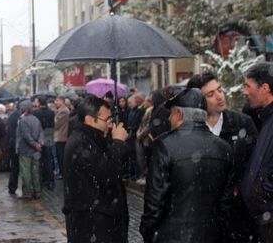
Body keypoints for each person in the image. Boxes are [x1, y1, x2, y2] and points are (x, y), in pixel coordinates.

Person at [140, 88, 234, 243]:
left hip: (172, 236)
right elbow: (226, 203)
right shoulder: (224, 148)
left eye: (171, 114)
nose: (169, 118)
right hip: (212, 235)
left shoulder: (164, 145)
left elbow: (154, 200)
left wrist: (149, 233)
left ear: (179, 115)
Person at [187, 72, 259, 242]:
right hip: (201, 218)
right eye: (210, 94)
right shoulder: (189, 130)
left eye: (219, 90)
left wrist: (239, 188)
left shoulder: (243, 123)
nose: (219, 96)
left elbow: (256, 166)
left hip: (238, 217)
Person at [62, 96, 130, 243]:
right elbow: (108, 174)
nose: (110, 125)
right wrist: (118, 143)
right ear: (90, 119)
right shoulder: (82, 143)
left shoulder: (90, 138)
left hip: (99, 220)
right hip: (93, 224)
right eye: (107, 120)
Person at [241, 62, 273, 242]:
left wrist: (262, 193)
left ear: (265, 88)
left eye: (248, 86)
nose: (245, 92)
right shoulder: (265, 118)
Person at [17, 99, 43, 200]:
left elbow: (26, 136)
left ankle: (28, 191)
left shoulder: (23, 120)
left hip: (26, 150)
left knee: (26, 171)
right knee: (35, 170)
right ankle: (37, 190)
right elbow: (41, 132)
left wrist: (35, 144)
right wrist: (40, 143)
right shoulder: (36, 119)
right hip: (36, 150)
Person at [7, 100, 22, 195]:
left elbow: (9, 131)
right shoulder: (21, 116)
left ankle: (12, 186)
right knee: (21, 166)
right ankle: (20, 186)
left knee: (14, 166)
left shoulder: (12, 115)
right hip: (19, 143)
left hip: (13, 143)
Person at [53, 95, 69, 180]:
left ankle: (63, 174)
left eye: (57, 100)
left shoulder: (64, 111)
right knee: (59, 157)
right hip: (60, 137)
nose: (56, 102)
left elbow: (56, 124)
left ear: (62, 101)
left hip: (61, 137)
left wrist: (55, 114)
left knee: (61, 157)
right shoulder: (60, 110)